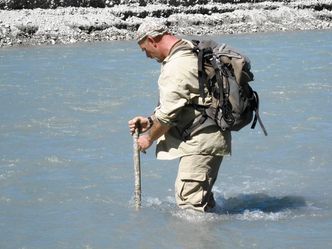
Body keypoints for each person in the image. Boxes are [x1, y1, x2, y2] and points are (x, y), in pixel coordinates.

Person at [128, 19, 231, 212]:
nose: (147, 56)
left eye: (145, 50)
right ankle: (216, 238)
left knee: (189, 207)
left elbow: (167, 117)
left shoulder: (176, 66)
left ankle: (197, 241)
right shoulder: (189, 47)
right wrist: (150, 121)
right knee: (202, 205)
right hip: (210, 137)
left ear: (152, 40)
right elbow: (186, 101)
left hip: (201, 142)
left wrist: (148, 138)